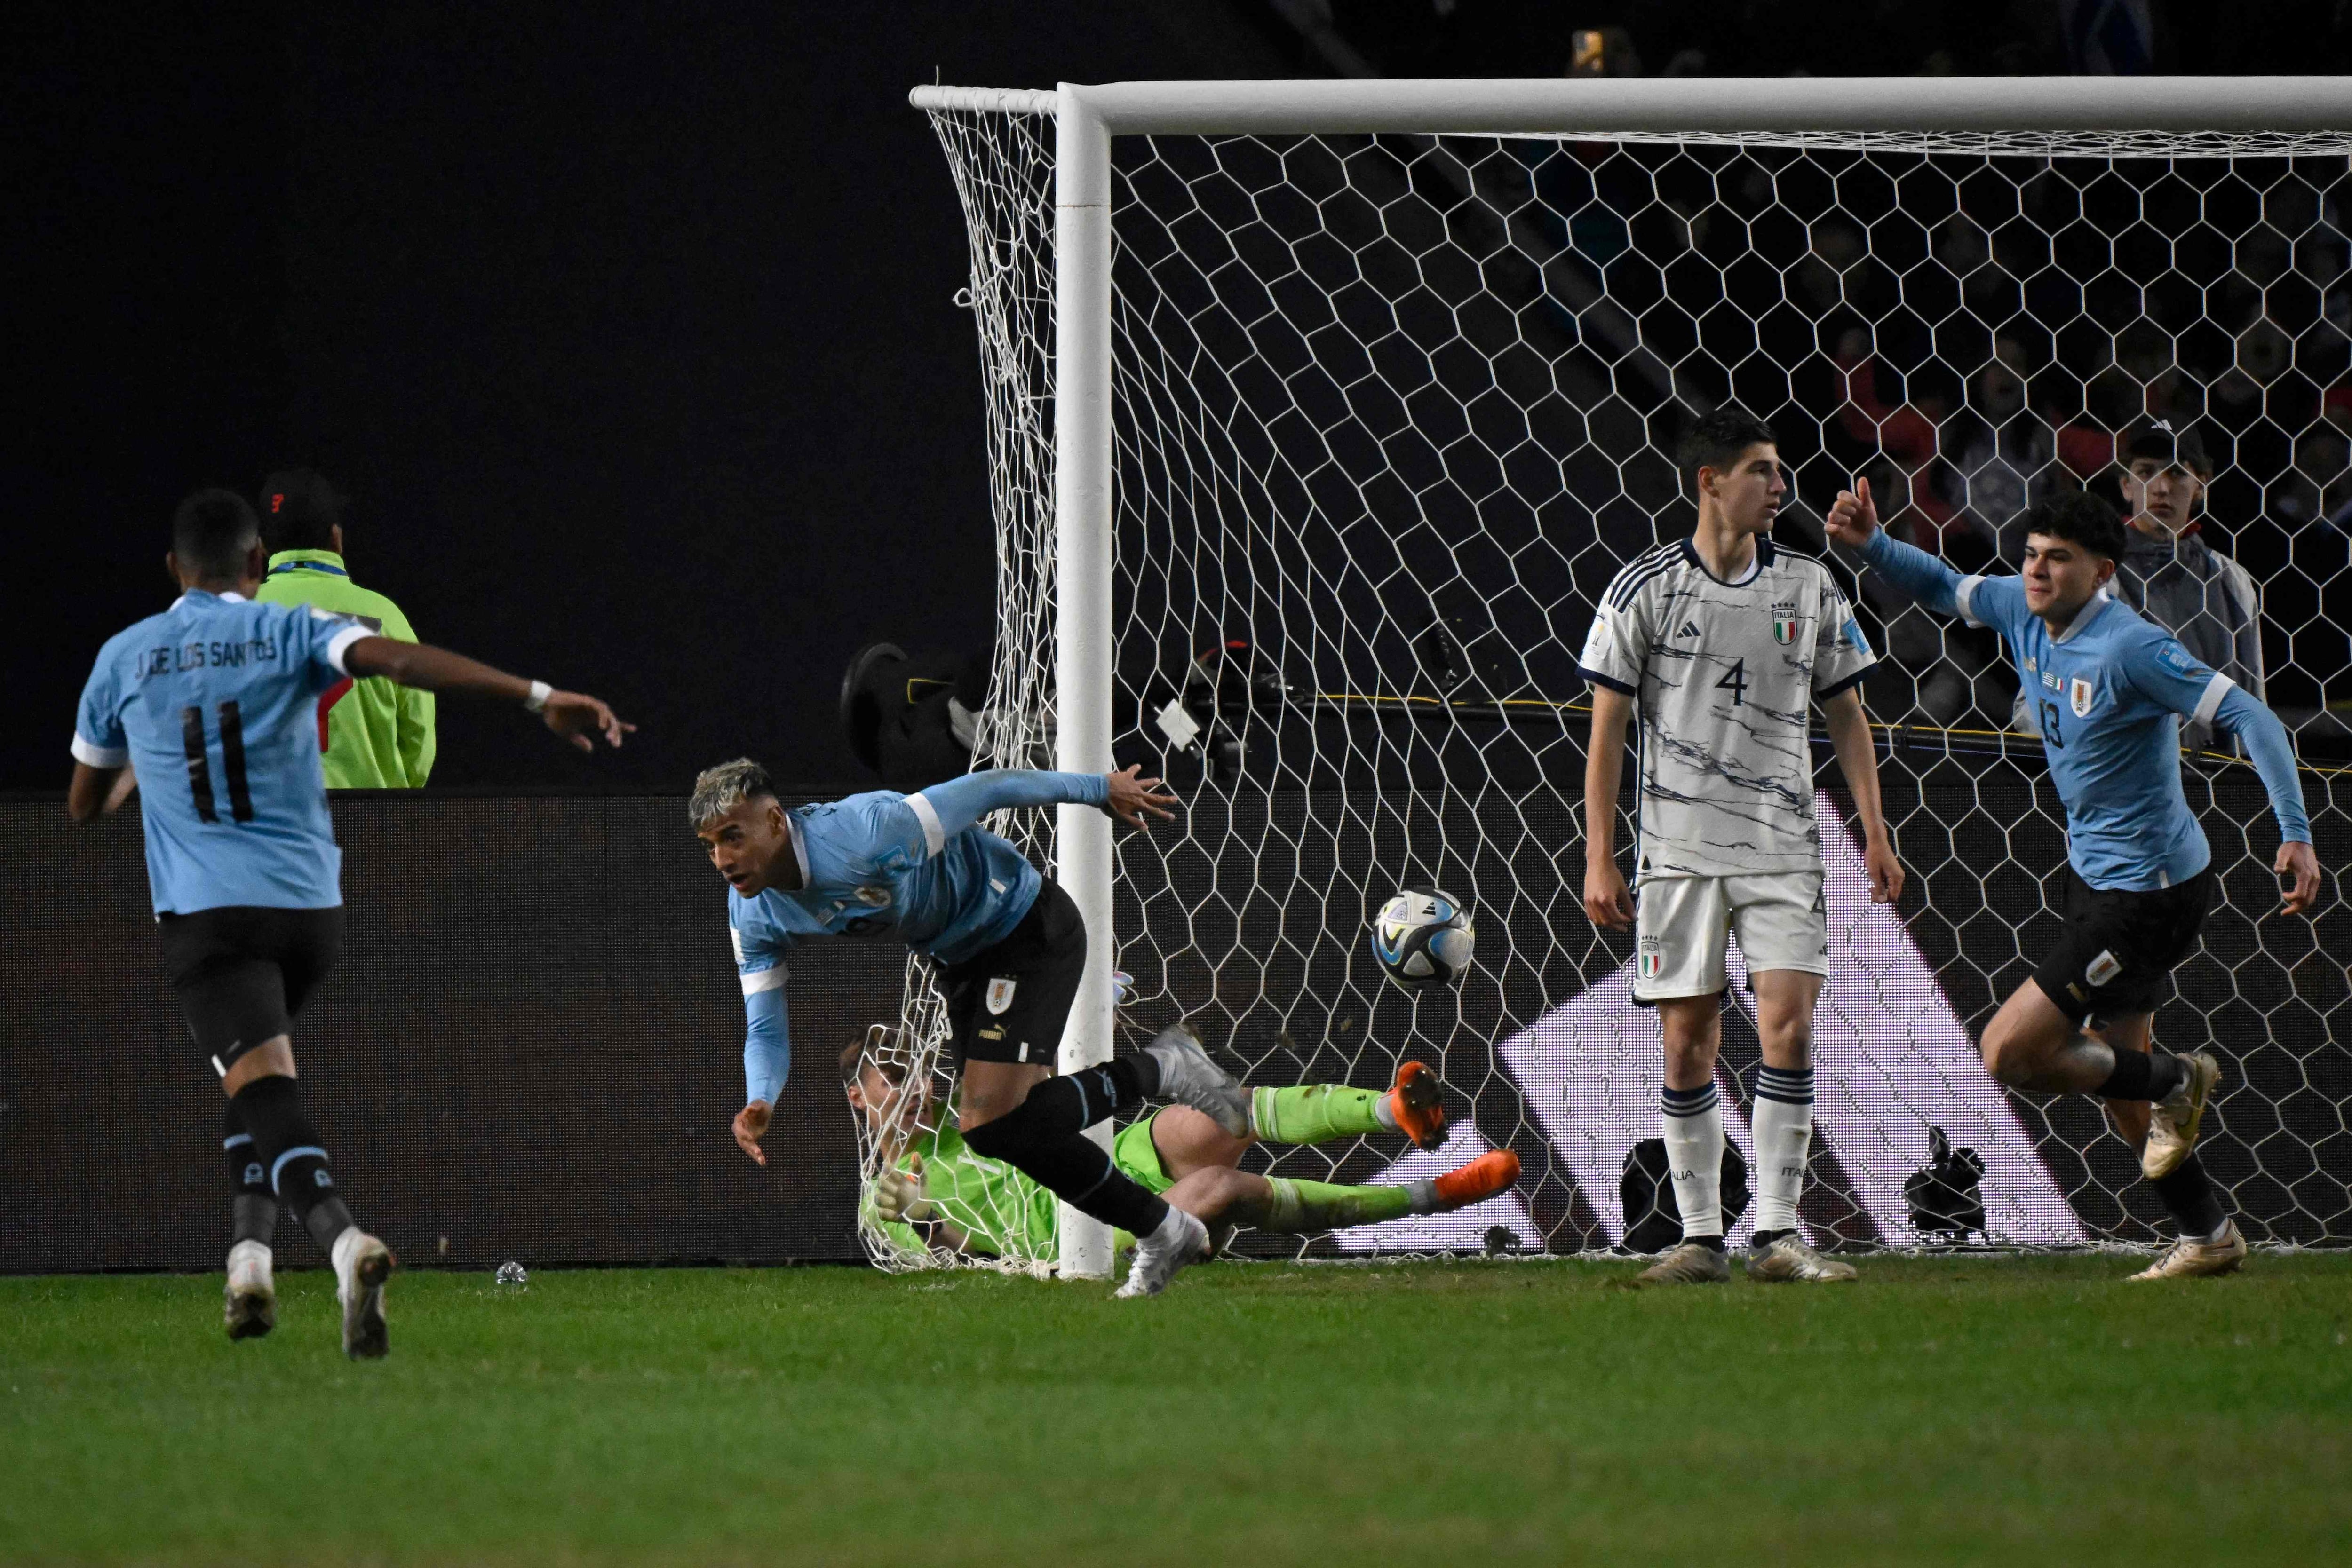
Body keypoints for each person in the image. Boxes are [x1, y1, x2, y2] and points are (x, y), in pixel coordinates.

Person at [68, 489, 632, 1354]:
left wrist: (142, 768)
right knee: (252, 1073)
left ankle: (342, 1243)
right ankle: (249, 1261)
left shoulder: (126, 654)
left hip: (210, 916)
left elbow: (84, 803)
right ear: (253, 566)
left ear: (174, 569)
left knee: (265, 1089)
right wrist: (538, 695)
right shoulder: (293, 628)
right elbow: (400, 662)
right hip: (308, 912)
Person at [1827, 480, 2319, 1279]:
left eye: (2060, 559)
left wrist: (2295, 832)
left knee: (2010, 1051)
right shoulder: (2024, 609)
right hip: (2099, 878)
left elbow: (2253, 718)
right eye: (2031, 555)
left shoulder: (2131, 646)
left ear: (2102, 571)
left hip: (2152, 892)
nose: (2038, 571)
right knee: (2126, 1100)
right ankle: (2210, 1232)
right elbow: (1944, 587)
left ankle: (2179, 1075)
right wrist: (1875, 545)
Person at [691, 757, 1251, 1298]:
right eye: (711, 845)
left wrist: (1097, 787)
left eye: (733, 837)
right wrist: (760, 1098)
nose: (722, 857)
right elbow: (764, 1028)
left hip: (1027, 929)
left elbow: (990, 786)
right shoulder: (752, 912)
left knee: (991, 1125)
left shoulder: (866, 832)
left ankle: (1163, 1110)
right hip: (961, 963)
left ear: (773, 822)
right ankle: (1165, 1218)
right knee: (1007, 1129)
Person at [1579, 408, 1906, 1288]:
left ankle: (1778, 1234)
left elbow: (1847, 711)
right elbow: (1606, 730)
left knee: (1786, 1026)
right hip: (1678, 852)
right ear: (1711, 481)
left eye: (1779, 469)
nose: (1779, 485)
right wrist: (1599, 854)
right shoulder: (1642, 587)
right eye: (1761, 470)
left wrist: (1875, 830)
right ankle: (1698, 1238)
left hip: (1784, 847)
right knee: (1688, 1043)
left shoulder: (1809, 586)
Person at [842, 1030, 1520, 1263]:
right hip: (1085, 1238)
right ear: (857, 1096)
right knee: (1225, 1189)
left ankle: (1392, 1106)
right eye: (895, 1077)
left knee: (1221, 1112)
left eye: (920, 1070)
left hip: (1116, 1157)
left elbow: (1043, 1087)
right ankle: (1433, 1195)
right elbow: (956, 1259)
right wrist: (924, 1215)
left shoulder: (971, 1114)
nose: (919, 1086)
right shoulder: (884, 1206)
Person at [251, 469, 437, 788]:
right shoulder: (386, 616)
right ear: (336, 537)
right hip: (370, 827)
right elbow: (419, 743)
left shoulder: (237, 616)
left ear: (260, 547)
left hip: (269, 829)